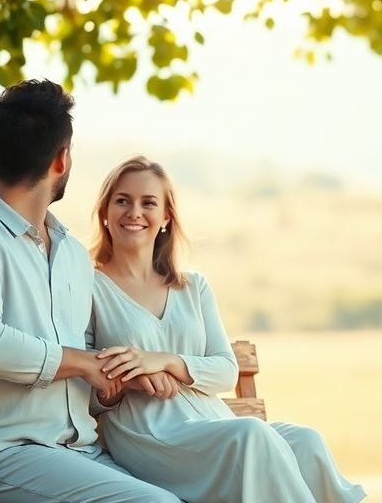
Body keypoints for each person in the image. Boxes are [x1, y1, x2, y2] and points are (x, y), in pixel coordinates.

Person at [0, 80, 180, 503]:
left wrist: (116, 380)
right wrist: (84, 363)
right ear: (62, 160)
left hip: (78, 453)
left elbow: (87, 367)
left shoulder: (73, 255)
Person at [89, 156, 367, 503]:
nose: (134, 212)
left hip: (210, 422)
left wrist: (164, 361)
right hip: (149, 435)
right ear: (105, 210)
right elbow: (83, 386)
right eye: (122, 200)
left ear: (166, 217)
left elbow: (224, 371)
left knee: (305, 441)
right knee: (251, 435)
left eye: (149, 203)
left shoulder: (193, 287)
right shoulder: (89, 286)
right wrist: (124, 381)